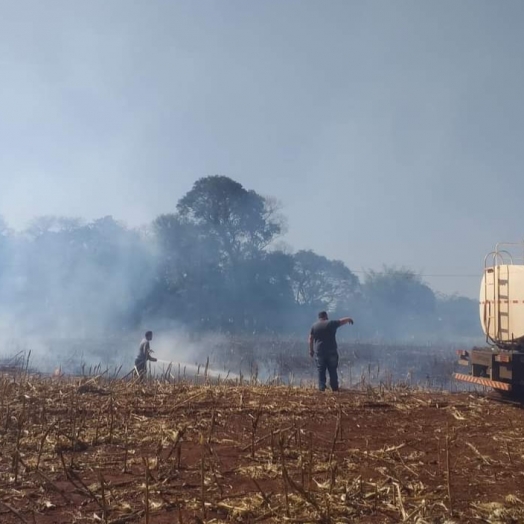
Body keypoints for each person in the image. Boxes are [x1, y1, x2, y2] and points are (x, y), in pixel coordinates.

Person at [309, 311, 353, 391]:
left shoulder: (314, 326)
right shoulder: (330, 323)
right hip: (331, 351)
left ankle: (322, 388)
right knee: (332, 370)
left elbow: (310, 339)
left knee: (321, 370)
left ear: (319, 318)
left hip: (320, 352)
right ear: (326, 316)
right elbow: (341, 321)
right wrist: (349, 319)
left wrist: (311, 350)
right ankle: (334, 388)